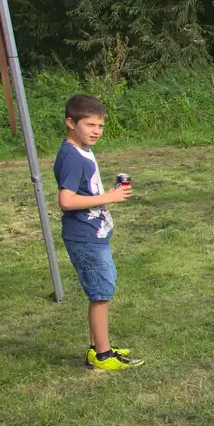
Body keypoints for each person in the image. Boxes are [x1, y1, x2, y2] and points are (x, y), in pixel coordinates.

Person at [53, 94, 142, 371]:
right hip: (84, 235)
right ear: (70, 123)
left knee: (101, 291)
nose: (96, 131)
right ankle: (103, 356)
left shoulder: (82, 151)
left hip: (94, 232)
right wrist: (110, 197)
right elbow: (66, 201)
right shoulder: (72, 157)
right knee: (101, 293)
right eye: (90, 125)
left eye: (100, 126)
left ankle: (97, 348)